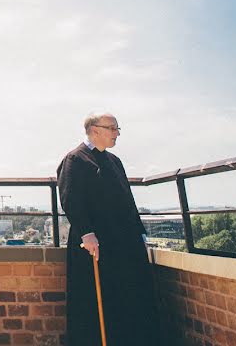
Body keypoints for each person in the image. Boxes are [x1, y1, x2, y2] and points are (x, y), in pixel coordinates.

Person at [56, 112, 160, 345]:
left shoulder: (114, 161)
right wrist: (86, 232)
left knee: (129, 295)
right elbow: (70, 199)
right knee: (97, 299)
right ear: (94, 130)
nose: (117, 133)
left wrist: (140, 232)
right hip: (95, 243)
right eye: (112, 128)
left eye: (117, 128)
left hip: (124, 242)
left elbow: (128, 199)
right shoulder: (75, 159)